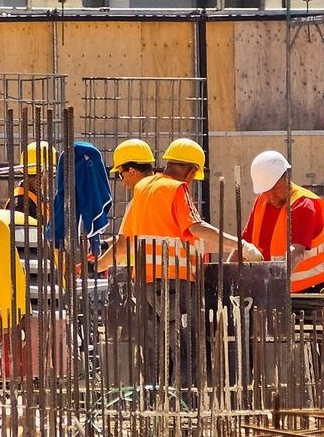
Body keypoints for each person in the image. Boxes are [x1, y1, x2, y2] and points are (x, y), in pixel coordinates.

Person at [111, 138, 261, 386]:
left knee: (156, 354)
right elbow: (196, 228)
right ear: (191, 171)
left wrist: (99, 265)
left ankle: (155, 409)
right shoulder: (176, 189)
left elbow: (125, 240)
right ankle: (186, 411)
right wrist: (241, 245)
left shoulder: (143, 188)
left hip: (146, 283)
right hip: (173, 283)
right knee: (186, 351)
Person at [242, 150, 324, 293]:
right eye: (265, 191)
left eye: (275, 188)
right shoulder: (262, 201)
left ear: (287, 177)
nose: (271, 196)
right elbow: (244, 244)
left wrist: (277, 281)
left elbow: (296, 253)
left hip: (316, 290)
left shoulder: (303, 204)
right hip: (278, 289)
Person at [95, 138, 156, 273]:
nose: (123, 182)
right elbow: (133, 235)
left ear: (132, 171)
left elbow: (124, 246)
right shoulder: (162, 191)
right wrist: (105, 244)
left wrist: (96, 266)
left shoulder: (142, 198)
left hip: (153, 276)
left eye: (121, 175)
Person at [5, 141, 56, 222]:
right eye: (50, 175)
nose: (51, 180)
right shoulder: (21, 203)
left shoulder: (38, 198)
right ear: (42, 174)